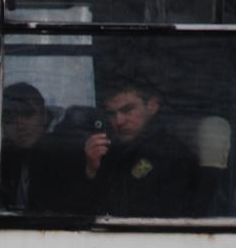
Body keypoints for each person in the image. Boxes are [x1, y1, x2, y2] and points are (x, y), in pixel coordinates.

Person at [80, 77, 198, 216]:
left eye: (127, 110)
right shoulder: (113, 152)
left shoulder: (171, 154)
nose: (119, 121)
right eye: (112, 114)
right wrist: (92, 170)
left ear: (152, 106)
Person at [0, 82, 49, 212]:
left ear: (44, 116)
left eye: (27, 114)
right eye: (10, 117)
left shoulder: (65, 157)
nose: (20, 125)